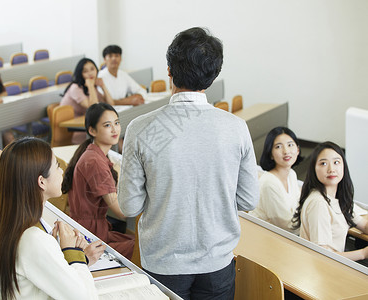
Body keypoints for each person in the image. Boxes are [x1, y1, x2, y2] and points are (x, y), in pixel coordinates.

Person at [118, 27, 259, 299]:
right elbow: (249, 200)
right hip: (217, 261)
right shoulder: (235, 127)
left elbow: (129, 206)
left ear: (169, 70)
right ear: (213, 74)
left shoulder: (144, 128)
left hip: (162, 262)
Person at [0, 137, 99, 299]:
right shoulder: (33, 238)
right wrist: (73, 252)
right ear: (41, 181)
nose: (61, 171)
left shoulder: (10, 222)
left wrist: (58, 252)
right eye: (57, 166)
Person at [62, 103, 134, 259]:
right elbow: (121, 212)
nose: (115, 129)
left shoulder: (93, 154)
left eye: (117, 123)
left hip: (89, 229)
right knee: (141, 248)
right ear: (92, 130)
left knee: (137, 243)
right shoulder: (95, 162)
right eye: (107, 125)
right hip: (89, 236)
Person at [292, 142, 368, 261]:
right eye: (323, 163)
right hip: (323, 270)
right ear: (314, 169)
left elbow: (363, 225)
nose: (331, 169)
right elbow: (322, 255)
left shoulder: (339, 199)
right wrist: (363, 253)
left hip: (334, 266)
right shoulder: (318, 203)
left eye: (336, 162)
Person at [249, 127, 303, 233]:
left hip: (284, 235)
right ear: (271, 154)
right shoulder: (269, 183)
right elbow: (287, 225)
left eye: (290, 145)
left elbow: (298, 206)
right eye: (278, 147)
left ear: (297, 150)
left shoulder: (291, 174)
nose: (286, 151)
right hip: (263, 236)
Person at [60, 58, 115, 144]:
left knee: (112, 134)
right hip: (73, 130)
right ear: (80, 74)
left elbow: (111, 103)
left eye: (92, 69)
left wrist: (103, 86)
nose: (90, 73)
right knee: (108, 134)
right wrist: (90, 86)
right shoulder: (75, 88)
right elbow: (94, 107)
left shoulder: (92, 86)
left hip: (86, 125)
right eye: (85, 71)